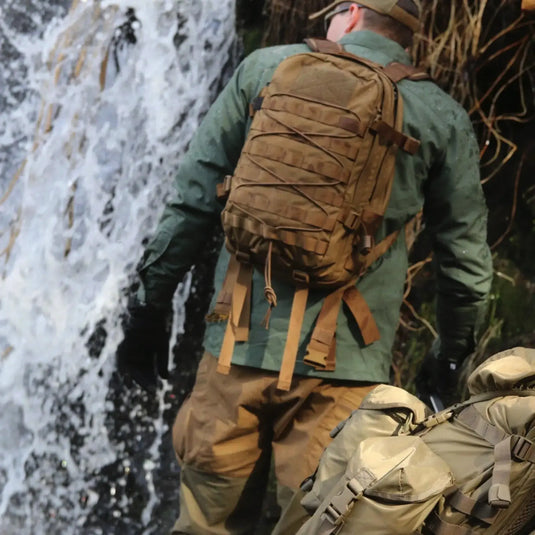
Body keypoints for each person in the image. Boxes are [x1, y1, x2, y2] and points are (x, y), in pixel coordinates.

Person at [116, 1, 493, 533]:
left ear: (353, 13)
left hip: (234, 349)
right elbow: (467, 262)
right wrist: (450, 356)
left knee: (206, 521)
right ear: (406, 37)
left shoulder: (265, 68)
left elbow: (193, 202)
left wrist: (148, 310)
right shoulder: (438, 113)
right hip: (344, 371)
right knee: (319, 521)